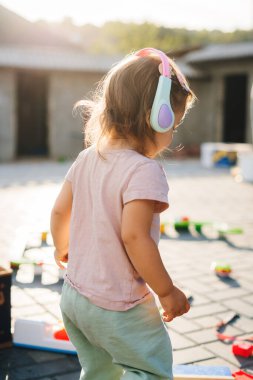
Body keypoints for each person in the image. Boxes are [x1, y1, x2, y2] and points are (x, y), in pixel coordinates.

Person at [50, 47, 196, 380]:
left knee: (100, 370)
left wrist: (62, 249)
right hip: (120, 308)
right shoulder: (144, 171)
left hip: (74, 298)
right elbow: (134, 236)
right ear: (157, 116)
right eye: (173, 123)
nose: (172, 133)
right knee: (150, 371)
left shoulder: (87, 158)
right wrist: (167, 291)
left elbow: (60, 211)